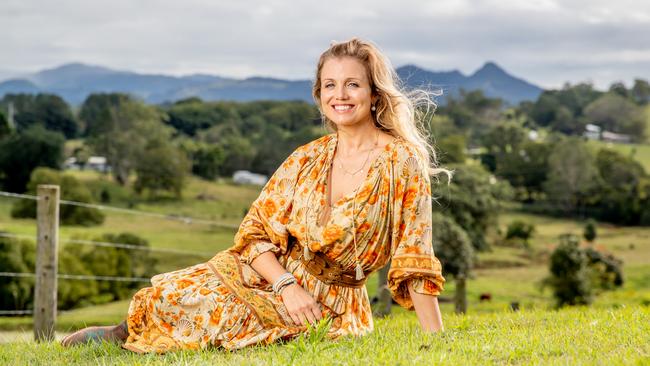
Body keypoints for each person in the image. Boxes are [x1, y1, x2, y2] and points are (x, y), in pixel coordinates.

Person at [61, 37, 448, 353]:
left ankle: (137, 333)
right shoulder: (308, 157)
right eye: (330, 85)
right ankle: (123, 330)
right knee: (177, 291)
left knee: (223, 319)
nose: (340, 95)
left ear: (374, 94)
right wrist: (287, 286)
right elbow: (255, 232)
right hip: (275, 275)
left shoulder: (401, 161)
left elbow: (416, 254)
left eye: (353, 84)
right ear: (319, 95)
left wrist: (435, 342)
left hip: (334, 301)